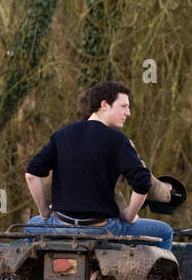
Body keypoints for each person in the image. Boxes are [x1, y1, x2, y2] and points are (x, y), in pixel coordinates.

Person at [23, 81, 175, 251]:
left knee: (31, 225)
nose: (128, 113)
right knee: (165, 232)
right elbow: (143, 182)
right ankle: (152, 279)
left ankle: (34, 277)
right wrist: (129, 215)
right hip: (103, 229)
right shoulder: (118, 141)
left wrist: (44, 212)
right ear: (104, 105)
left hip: (60, 226)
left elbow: (31, 174)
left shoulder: (62, 135)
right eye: (124, 106)